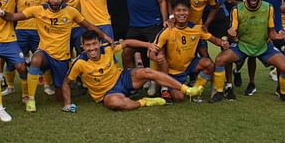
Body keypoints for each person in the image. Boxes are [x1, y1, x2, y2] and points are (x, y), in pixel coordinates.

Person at [0, 0, 113, 113]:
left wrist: (105, 36)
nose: (55, 1)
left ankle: (61, 87)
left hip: (62, 57)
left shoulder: (71, 11)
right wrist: (1, 12)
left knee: (59, 97)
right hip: (45, 52)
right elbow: (13, 17)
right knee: (36, 60)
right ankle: (31, 99)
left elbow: (89, 26)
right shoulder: (38, 10)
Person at [61, 30, 203, 111]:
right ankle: (144, 101)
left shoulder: (107, 48)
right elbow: (66, 83)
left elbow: (127, 42)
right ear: (82, 46)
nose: (92, 48)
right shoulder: (79, 62)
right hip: (107, 93)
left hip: (123, 78)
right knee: (113, 103)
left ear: (99, 43)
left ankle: (187, 90)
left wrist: (148, 45)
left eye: (94, 44)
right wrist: (67, 104)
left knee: (146, 71)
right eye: (88, 45)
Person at [212, 0, 285, 104]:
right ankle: (220, 92)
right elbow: (233, 30)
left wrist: (279, 36)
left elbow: (272, 33)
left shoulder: (268, 8)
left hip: (263, 46)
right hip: (242, 46)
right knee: (220, 60)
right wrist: (231, 33)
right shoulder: (237, 9)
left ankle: (284, 94)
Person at [150, 0, 228, 103]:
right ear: (173, 12)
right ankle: (165, 86)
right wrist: (157, 58)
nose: (182, 13)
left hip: (189, 65)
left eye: (184, 10)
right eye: (178, 10)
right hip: (172, 71)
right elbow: (151, 52)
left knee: (208, 63)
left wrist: (223, 43)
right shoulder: (167, 31)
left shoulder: (197, 29)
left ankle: (196, 90)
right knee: (179, 98)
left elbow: (214, 40)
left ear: (189, 12)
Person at [219, 0, 258, 88]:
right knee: (226, 48)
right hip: (225, 19)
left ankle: (239, 71)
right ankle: (228, 81)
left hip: (243, 19)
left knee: (245, 51)